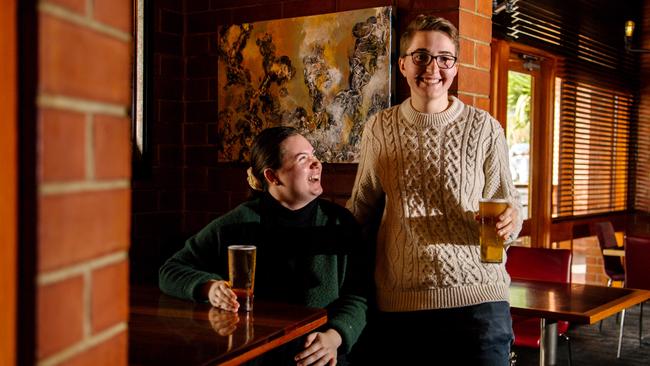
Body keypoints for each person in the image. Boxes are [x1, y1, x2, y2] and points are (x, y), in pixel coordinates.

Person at [346, 15, 522, 365]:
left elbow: (508, 204)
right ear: (402, 64)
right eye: (421, 56)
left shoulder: (485, 128)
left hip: (478, 301)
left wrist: (513, 220)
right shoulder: (379, 128)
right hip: (402, 304)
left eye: (445, 58)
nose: (433, 67)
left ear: (455, 67)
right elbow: (360, 206)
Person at [160, 126, 368, 366]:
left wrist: (336, 336)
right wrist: (209, 287)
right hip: (254, 356)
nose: (316, 163)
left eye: (313, 154)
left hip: (319, 357)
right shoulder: (236, 223)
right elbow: (171, 270)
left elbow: (358, 296)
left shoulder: (340, 223)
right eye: (303, 159)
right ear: (272, 176)